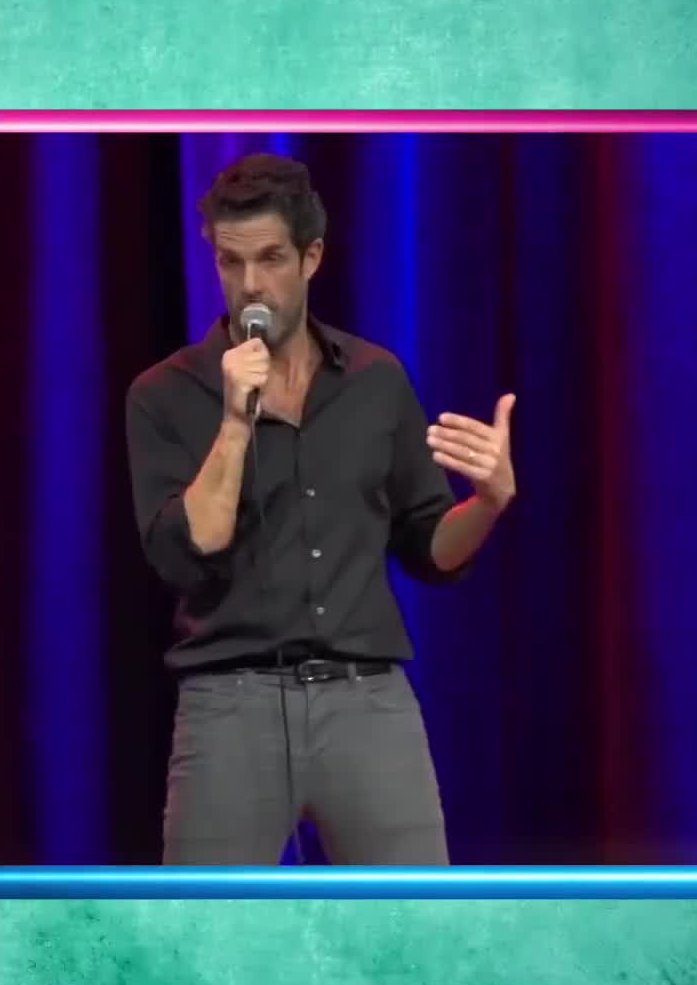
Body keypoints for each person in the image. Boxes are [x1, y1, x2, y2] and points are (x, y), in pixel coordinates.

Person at [123, 153, 518, 866]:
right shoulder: (165, 394)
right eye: (231, 262)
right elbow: (191, 546)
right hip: (229, 709)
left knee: (418, 934)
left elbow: (431, 548)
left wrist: (487, 504)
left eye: (270, 259)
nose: (250, 285)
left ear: (311, 258)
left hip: (369, 706)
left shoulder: (376, 379)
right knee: (205, 950)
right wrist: (236, 423)